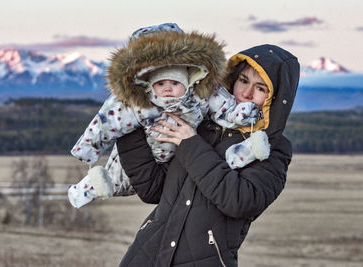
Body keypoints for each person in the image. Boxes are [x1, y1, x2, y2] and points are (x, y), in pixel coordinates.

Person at [115, 43, 300, 266]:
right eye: (243, 81)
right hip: (146, 256)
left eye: (260, 88)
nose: (247, 93)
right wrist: (127, 126)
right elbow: (152, 189)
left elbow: (240, 201)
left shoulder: (271, 148)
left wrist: (191, 144)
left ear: (276, 98)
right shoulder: (202, 124)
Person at [68, 24, 270, 209]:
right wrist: (87, 149)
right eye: (160, 83)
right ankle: (82, 192)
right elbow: (105, 123)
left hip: (176, 163)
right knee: (114, 177)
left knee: (226, 158)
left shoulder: (202, 95)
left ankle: (250, 149)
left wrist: (242, 114)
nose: (167, 89)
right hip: (151, 153)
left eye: (174, 83)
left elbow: (225, 109)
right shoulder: (133, 104)